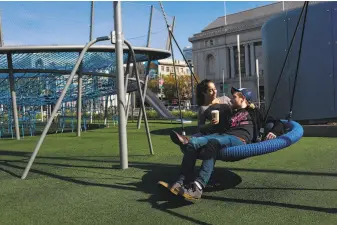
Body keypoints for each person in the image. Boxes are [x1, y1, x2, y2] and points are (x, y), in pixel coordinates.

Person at [168, 87, 285, 200]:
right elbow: (216, 126)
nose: (231, 99)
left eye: (234, 97)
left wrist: (274, 132)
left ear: (243, 99)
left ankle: (197, 186)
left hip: (238, 139)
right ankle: (182, 181)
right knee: (197, 144)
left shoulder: (255, 112)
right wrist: (213, 124)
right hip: (223, 137)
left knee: (204, 143)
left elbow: (278, 122)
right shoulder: (230, 113)